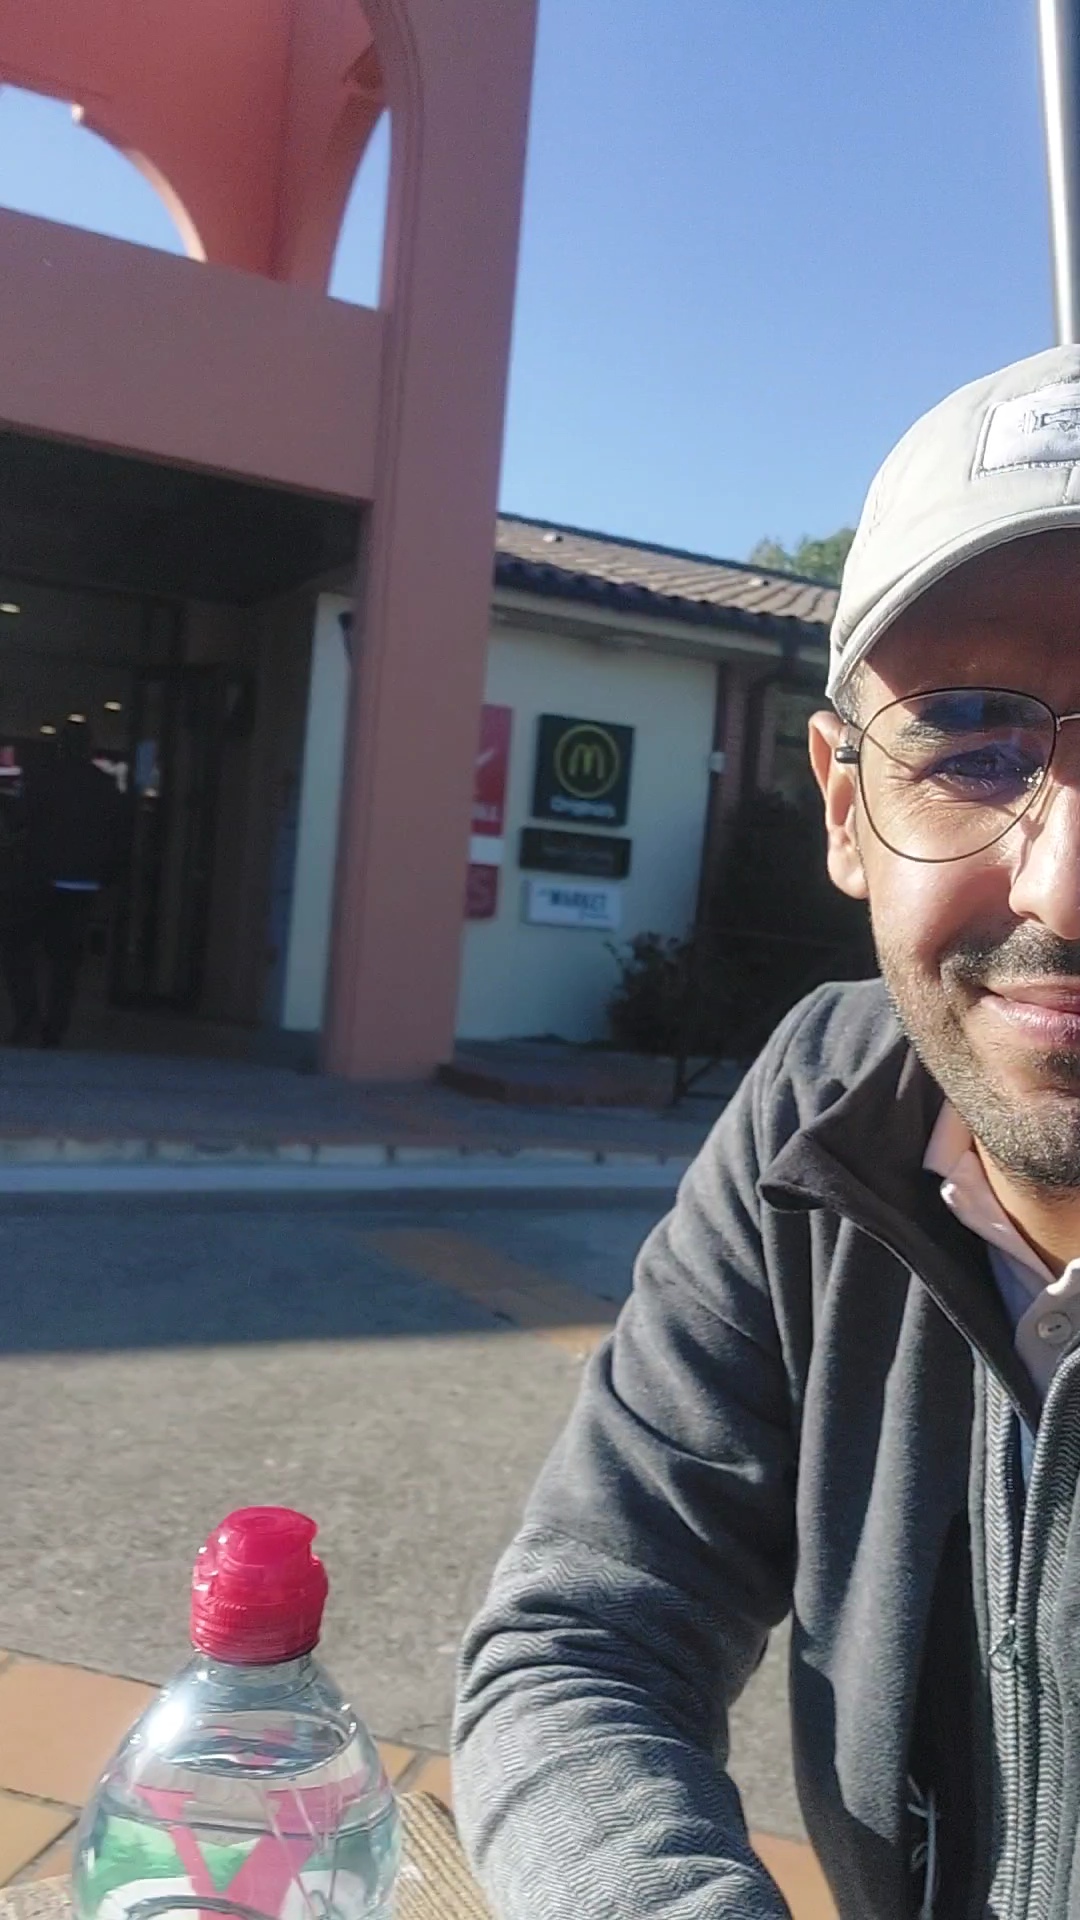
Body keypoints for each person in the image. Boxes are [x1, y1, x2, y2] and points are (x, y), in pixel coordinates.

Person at [453, 343, 1080, 1920]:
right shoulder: (829, 1097)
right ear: (846, 806)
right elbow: (588, 1635)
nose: (1062, 887)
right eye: (973, 740)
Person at [0, 718, 127, 1047]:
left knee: (15, 945)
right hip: (83, 882)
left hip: (41, 878)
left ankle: (27, 1017)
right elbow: (119, 837)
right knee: (66, 960)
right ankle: (55, 1028)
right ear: (89, 747)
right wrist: (106, 875)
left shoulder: (44, 777)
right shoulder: (105, 785)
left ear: (60, 745)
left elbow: (19, 821)